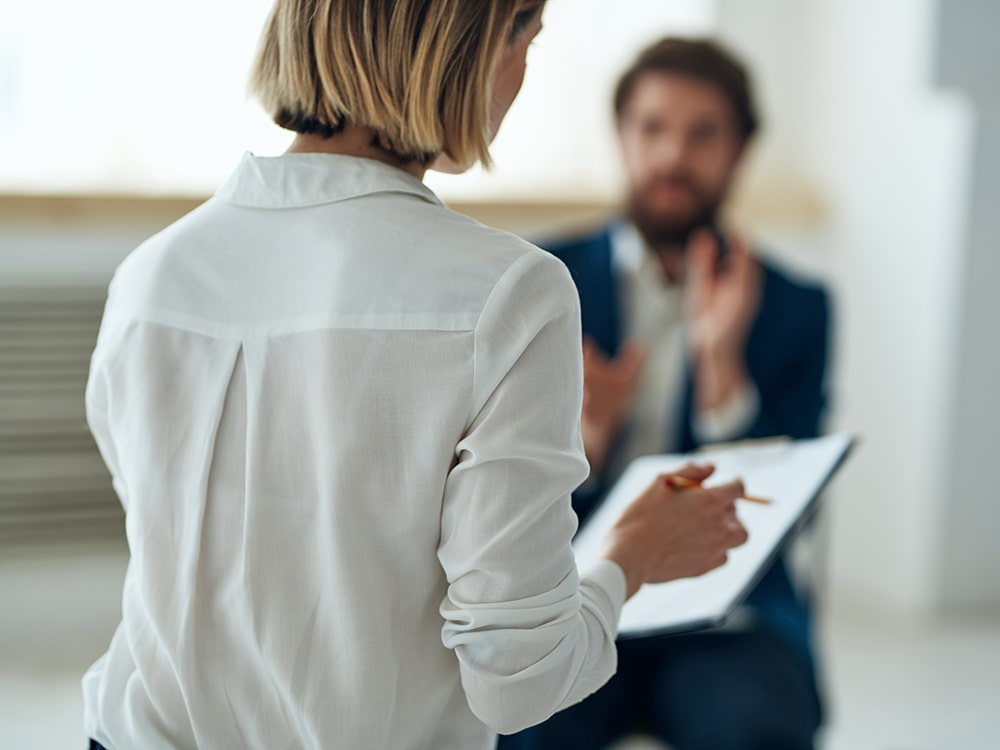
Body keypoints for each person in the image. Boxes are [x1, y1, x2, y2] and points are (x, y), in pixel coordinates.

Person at [81, 6, 750, 750]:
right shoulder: (511, 292)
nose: (520, 77)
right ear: (469, 51)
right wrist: (631, 552)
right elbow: (517, 679)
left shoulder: (148, 277)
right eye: (526, 41)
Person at [499, 37, 831, 750]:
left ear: (740, 150)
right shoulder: (533, 279)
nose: (674, 156)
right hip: (571, 596)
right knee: (528, 728)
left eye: (703, 133)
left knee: (758, 729)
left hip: (726, 619)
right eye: (653, 128)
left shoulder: (796, 306)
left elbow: (788, 514)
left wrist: (721, 371)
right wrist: (580, 449)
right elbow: (487, 501)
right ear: (622, 137)